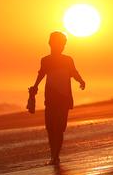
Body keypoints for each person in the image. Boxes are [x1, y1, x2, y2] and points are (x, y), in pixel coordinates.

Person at [30, 31, 86, 165]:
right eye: (59, 43)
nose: (61, 46)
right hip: (50, 97)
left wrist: (81, 81)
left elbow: (74, 72)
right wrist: (35, 87)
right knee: (50, 127)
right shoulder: (46, 60)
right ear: (50, 43)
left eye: (63, 44)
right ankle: (53, 155)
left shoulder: (68, 60)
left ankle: (56, 156)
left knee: (59, 128)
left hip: (64, 98)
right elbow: (41, 74)